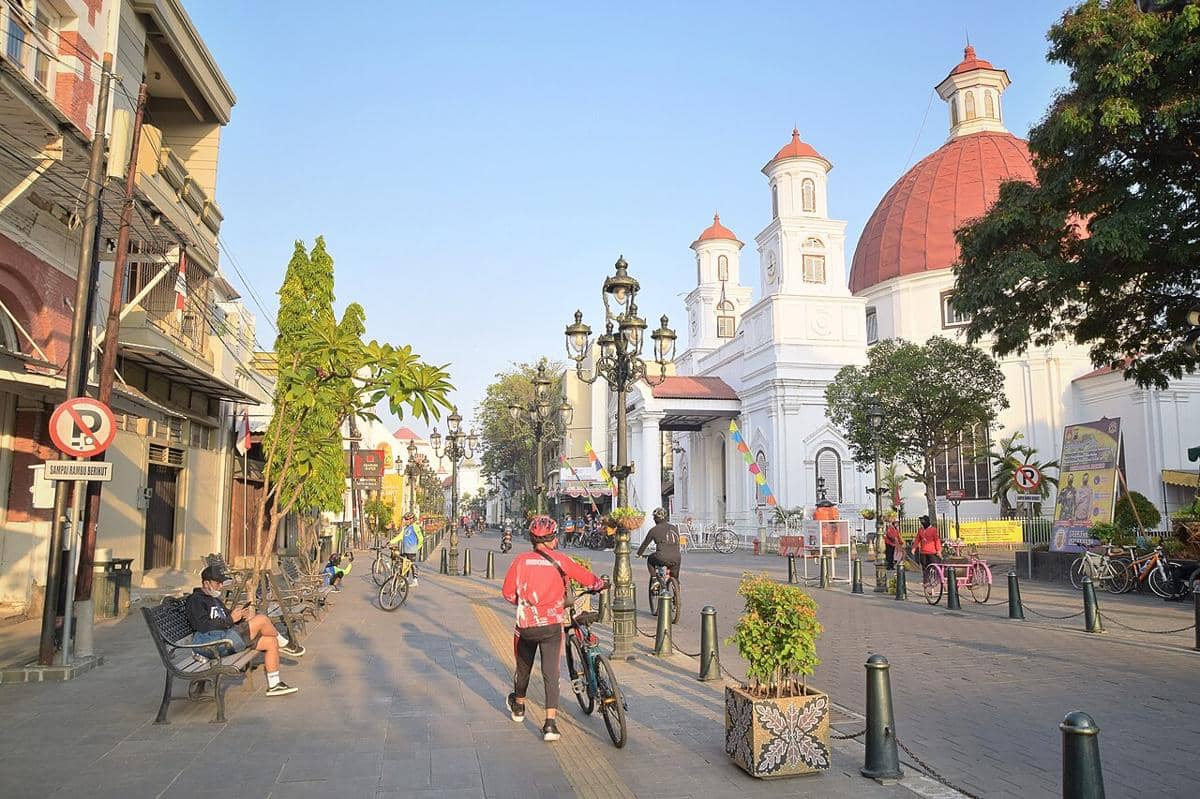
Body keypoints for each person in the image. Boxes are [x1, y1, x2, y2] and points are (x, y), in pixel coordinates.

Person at [501, 515, 606, 743]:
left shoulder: (520, 561)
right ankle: (550, 724)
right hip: (551, 626)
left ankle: (519, 707)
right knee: (551, 672)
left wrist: (526, 603)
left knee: (523, 667)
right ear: (553, 540)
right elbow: (587, 578)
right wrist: (600, 584)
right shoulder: (561, 560)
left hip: (527, 626)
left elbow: (508, 593)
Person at [185, 565, 303, 697]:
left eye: (221, 583)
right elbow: (203, 626)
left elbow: (226, 617)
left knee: (270, 641)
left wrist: (239, 616)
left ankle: (274, 685)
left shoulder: (215, 600)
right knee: (262, 619)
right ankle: (285, 645)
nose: (220, 586)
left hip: (226, 637)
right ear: (206, 583)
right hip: (212, 644)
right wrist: (231, 619)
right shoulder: (195, 600)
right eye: (217, 583)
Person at [636, 507, 682, 585]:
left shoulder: (654, 530)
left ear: (655, 519)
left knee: (650, 559)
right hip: (677, 557)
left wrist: (639, 554)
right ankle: (676, 590)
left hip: (661, 556)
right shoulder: (674, 528)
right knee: (675, 577)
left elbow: (645, 544)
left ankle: (654, 579)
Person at [389, 512, 424, 586]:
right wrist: (391, 542)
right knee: (405, 565)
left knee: (412, 564)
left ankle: (415, 581)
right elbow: (400, 537)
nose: (406, 521)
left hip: (412, 550)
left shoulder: (415, 527)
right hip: (405, 549)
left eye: (407, 519)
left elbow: (420, 538)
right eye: (405, 519)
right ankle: (405, 579)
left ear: (412, 519)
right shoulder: (405, 528)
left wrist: (417, 547)